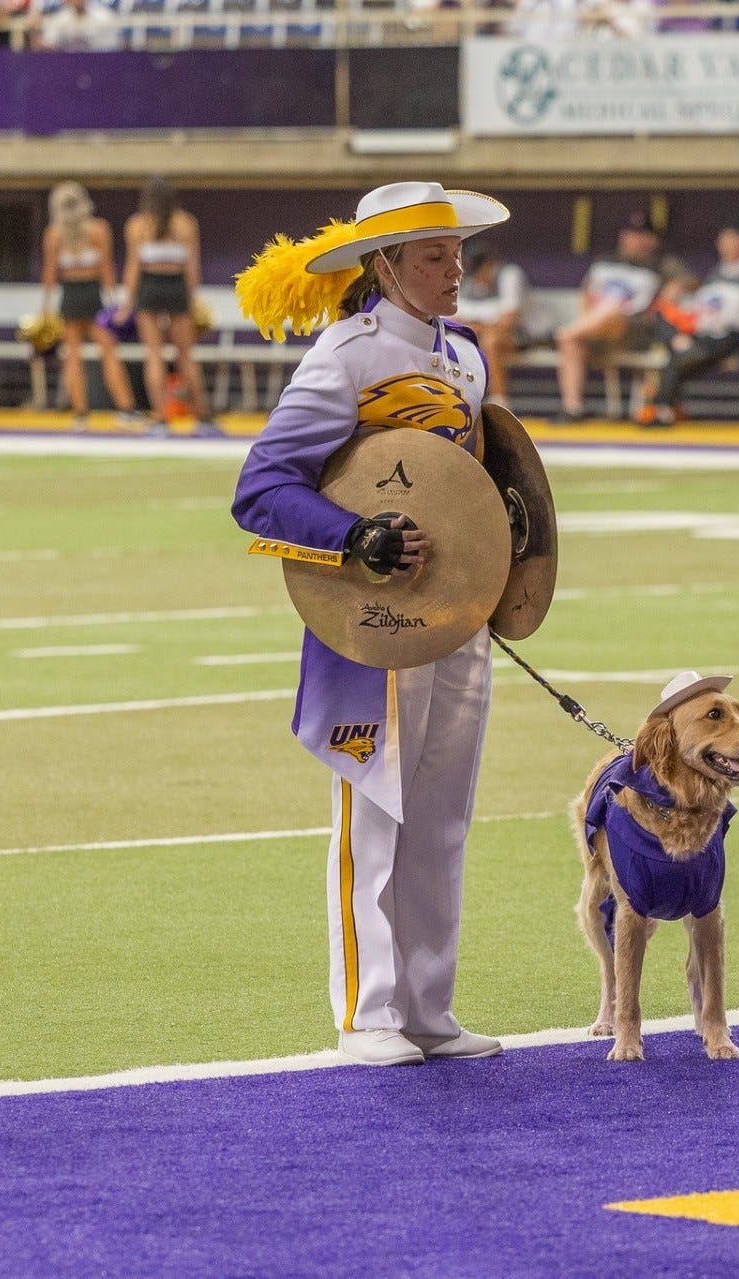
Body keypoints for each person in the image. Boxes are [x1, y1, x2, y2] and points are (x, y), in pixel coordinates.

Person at [230, 180, 510, 1068]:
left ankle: (429, 1008)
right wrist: (356, 535)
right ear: (384, 267)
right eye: (433, 256)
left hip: (456, 618)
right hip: (372, 618)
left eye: (457, 254)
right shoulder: (343, 358)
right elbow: (262, 489)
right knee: (374, 808)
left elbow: (477, 489)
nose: (454, 269)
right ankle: (366, 1010)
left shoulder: (467, 357)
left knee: (442, 814)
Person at [553, 211, 682, 423]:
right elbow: (586, 293)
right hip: (594, 328)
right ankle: (572, 408)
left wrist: (673, 289)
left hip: (633, 329)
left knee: (610, 311)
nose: (631, 239)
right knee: (573, 341)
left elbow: (689, 282)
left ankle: (566, 333)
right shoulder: (606, 260)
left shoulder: (661, 264)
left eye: (639, 235)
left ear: (651, 240)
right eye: (629, 234)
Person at [40, 181, 141, 432]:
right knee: (107, 351)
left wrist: (46, 308)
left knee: (73, 355)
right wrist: (114, 303)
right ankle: (125, 409)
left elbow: (51, 275)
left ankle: (81, 415)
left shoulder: (54, 234)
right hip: (90, 295)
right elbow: (106, 270)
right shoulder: (98, 230)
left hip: (72, 296)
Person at [640, 220, 739, 427]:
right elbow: (701, 298)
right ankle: (665, 403)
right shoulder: (720, 269)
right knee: (662, 317)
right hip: (702, 331)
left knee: (681, 355)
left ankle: (661, 407)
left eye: (729, 239)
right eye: (722, 240)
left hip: (732, 334)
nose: (723, 245)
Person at [121, 177, 218, 437]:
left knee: (153, 354)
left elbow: (133, 269)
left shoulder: (138, 225)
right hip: (176, 288)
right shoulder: (186, 224)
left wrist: (126, 303)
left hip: (150, 287)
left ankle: (161, 420)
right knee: (185, 354)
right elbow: (192, 269)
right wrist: (193, 301)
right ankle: (204, 419)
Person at [453, 242, 532, 407]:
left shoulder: (509, 274)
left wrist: (477, 327)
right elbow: (452, 315)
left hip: (517, 336)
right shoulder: (463, 278)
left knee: (490, 341)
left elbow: (509, 319)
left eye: (478, 271)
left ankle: (500, 401)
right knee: (453, 340)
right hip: (474, 333)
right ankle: (459, 400)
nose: (474, 277)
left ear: (489, 265)